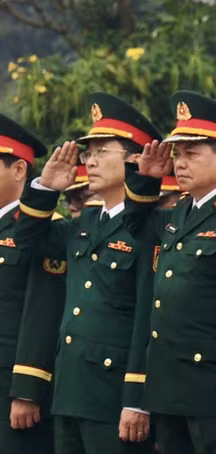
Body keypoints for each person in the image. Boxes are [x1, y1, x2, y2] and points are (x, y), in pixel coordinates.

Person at [123, 90, 216, 454]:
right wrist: (146, 179)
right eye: (177, 154)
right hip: (170, 391)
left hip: (215, 394)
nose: (179, 163)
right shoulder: (181, 213)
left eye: (191, 154)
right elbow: (136, 227)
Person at [15, 93, 161, 454]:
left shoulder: (151, 227)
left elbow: (148, 319)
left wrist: (136, 398)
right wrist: (46, 189)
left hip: (114, 396)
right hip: (70, 391)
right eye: (87, 154)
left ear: (134, 159)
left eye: (101, 152)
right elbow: (23, 244)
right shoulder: (83, 224)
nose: (89, 162)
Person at [0, 114, 53, 453]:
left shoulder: (42, 230)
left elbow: (42, 311)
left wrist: (27, 387)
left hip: (10, 387)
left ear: (19, 170)